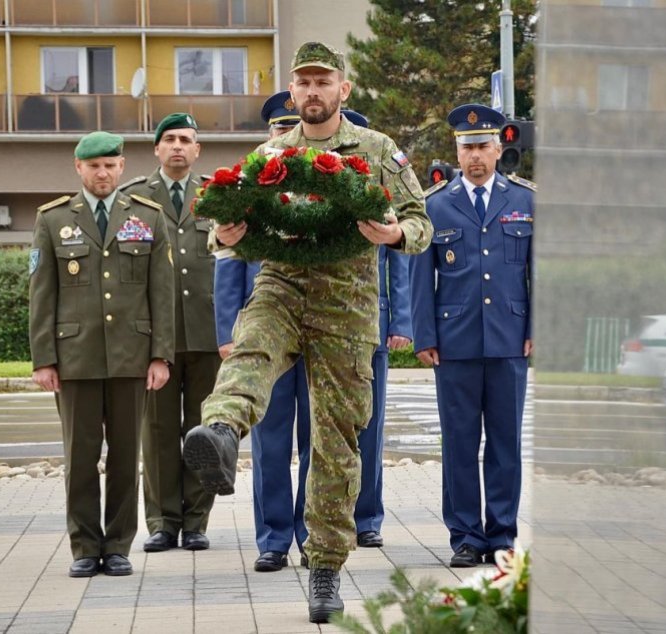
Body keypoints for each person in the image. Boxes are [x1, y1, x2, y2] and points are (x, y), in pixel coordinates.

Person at [183, 42, 432, 623]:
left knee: (337, 441)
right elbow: (222, 231)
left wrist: (393, 235)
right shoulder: (269, 155)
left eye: (323, 81)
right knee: (252, 347)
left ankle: (324, 567)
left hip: (347, 303)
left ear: (343, 90)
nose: (313, 91)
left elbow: (421, 221)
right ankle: (220, 432)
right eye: (303, 82)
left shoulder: (376, 150)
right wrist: (229, 230)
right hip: (282, 282)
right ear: (292, 92)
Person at [28, 131, 175, 577]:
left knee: (127, 454)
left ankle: (117, 546)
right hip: (75, 358)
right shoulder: (53, 220)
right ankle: (84, 547)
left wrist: (160, 355)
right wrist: (43, 358)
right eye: (94, 166)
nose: (103, 173)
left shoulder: (147, 217)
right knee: (80, 457)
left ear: (122, 166)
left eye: (110, 164)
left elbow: (161, 292)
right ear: (79, 168)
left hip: (132, 356)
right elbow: (41, 293)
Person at [409, 104, 535, 568]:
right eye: (467, 148)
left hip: (509, 338)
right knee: (459, 442)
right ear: (456, 153)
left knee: (505, 443)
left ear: (499, 148)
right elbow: (420, 279)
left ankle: (501, 535)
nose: (475, 156)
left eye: (483, 146)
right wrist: (424, 334)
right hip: (455, 340)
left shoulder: (525, 201)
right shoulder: (434, 204)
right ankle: (465, 536)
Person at [214, 92, 312, 573]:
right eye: (279, 128)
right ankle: (273, 539)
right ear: (270, 134)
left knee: (319, 441)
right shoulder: (248, 184)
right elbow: (229, 262)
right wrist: (230, 333)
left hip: (318, 331)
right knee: (271, 441)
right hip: (265, 334)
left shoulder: (326, 182)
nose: (286, 137)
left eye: (293, 127)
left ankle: (314, 536)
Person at [122, 113, 220, 554]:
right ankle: (162, 521)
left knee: (202, 431)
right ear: (156, 149)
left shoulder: (219, 196)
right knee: (158, 432)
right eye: (170, 139)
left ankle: (196, 520)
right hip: (154, 339)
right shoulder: (134, 200)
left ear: (197, 150)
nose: (178, 146)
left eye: (186, 139)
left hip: (208, 332)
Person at [341, 109, 414, 550]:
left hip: (373, 324)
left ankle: (366, 518)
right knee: (326, 432)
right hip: (325, 326)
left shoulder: (379, 198)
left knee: (370, 426)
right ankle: (328, 516)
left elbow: (398, 264)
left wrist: (400, 322)